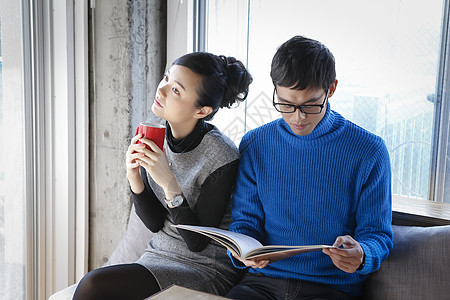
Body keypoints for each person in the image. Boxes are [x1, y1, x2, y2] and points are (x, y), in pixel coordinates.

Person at [73, 52, 252, 300]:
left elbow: (197, 243)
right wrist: (134, 178)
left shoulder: (221, 155)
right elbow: (155, 224)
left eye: (176, 90)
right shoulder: (155, 129)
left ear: (202, 110)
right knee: (95, 285)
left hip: (204, 269)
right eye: (167, 78)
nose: (162, 90)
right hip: (157, 256)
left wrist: (169, 183)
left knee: (93, 285)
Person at [226, 36, 393, 300]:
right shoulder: (256, 144)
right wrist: (243, 251)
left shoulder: (368, 151)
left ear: (332, 89)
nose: (297, 117)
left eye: (310, 104)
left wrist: (362, 254)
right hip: (262, 284)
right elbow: (245, 222)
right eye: (286, 104)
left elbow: (378, 234)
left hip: (332, 289)